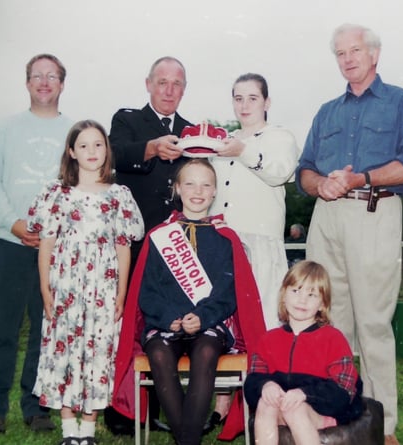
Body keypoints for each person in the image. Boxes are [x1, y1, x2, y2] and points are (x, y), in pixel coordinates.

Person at [296, 24, 403, 445]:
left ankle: (382, 426)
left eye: (355, 50)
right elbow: (304, 171)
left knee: (373, 322)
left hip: (375, 211)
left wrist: (360, 179)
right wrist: (322, 185)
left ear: (374, 54)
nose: (347, 58)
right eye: (340, 53)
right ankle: (330, 413)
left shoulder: (401, 103)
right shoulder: (326, 112)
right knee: (325, 321)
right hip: (326, 217)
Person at [112, 159, 267, 445]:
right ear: (177, 189)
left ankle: (185, 440)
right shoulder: (159, 236)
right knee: (158, 353)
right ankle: (189, 440)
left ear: (215, 191)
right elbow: (147, 291)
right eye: (190, 183)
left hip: (209, 324)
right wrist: (167, 316)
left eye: (206, 184)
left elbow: (228, 293)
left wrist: (204, 317)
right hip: (165, 323)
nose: (198, 191)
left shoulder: (226, 238)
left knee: (206, 350)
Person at [0, 53, 73, 436]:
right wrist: (14, 224)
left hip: (56, 248)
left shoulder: (74, 132)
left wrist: (56, 231)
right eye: (37, 76)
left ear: (62, 84)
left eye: (52, 76)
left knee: (47, 331)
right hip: (7, 242)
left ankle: (37, 406)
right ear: (27, 83)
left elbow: (78, 186)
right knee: (3, 330)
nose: (44, 82)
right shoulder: (4, 130)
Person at [26, 120, 144, 445]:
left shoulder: (119, 195)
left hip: (103, 287)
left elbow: (124, 246)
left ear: (107, 150)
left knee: (99, 350)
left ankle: (89, 429)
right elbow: (46, 243)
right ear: (71, 152)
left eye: (98, 145)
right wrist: (45, 288)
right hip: (65, 284)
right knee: (64, 349)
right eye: (84, 146)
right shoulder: (57, 193)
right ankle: (69, 429)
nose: (92, 152)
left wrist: (121, 293)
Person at [209, 73, 300, 429]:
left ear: (267, 101)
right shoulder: (222, 141)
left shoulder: (280, 137)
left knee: (263, 323)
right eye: (238, 98)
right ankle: (221, 403)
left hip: (261, 245)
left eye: (251, 98)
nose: (244, 105)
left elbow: (279, 173)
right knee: (225, 323)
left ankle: (267, 402)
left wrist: (243, 152)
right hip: (225, 244)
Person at [107, 55, 192, 433]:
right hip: (134, 245)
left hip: (175, 247)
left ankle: (155, 410)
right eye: (162, 82)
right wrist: (153, 148)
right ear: (148, 84)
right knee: (126, 326)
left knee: (165, 327)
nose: (169, 90)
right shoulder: (126, 121)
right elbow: (115, 155)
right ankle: (121, 412)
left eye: (177, 84)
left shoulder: (192, 132)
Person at [244, 260, 363, 445]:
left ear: (322, 304)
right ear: (284, 295)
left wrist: (305, 393)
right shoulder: (268, 340)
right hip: (279, 410)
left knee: (295, 409)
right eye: (296, 291)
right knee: (265, 403)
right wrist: (266, 386)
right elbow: (252, 382)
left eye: (312, 294)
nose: (302, 299)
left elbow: (344, 390)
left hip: (322, 411)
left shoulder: (333, 338)